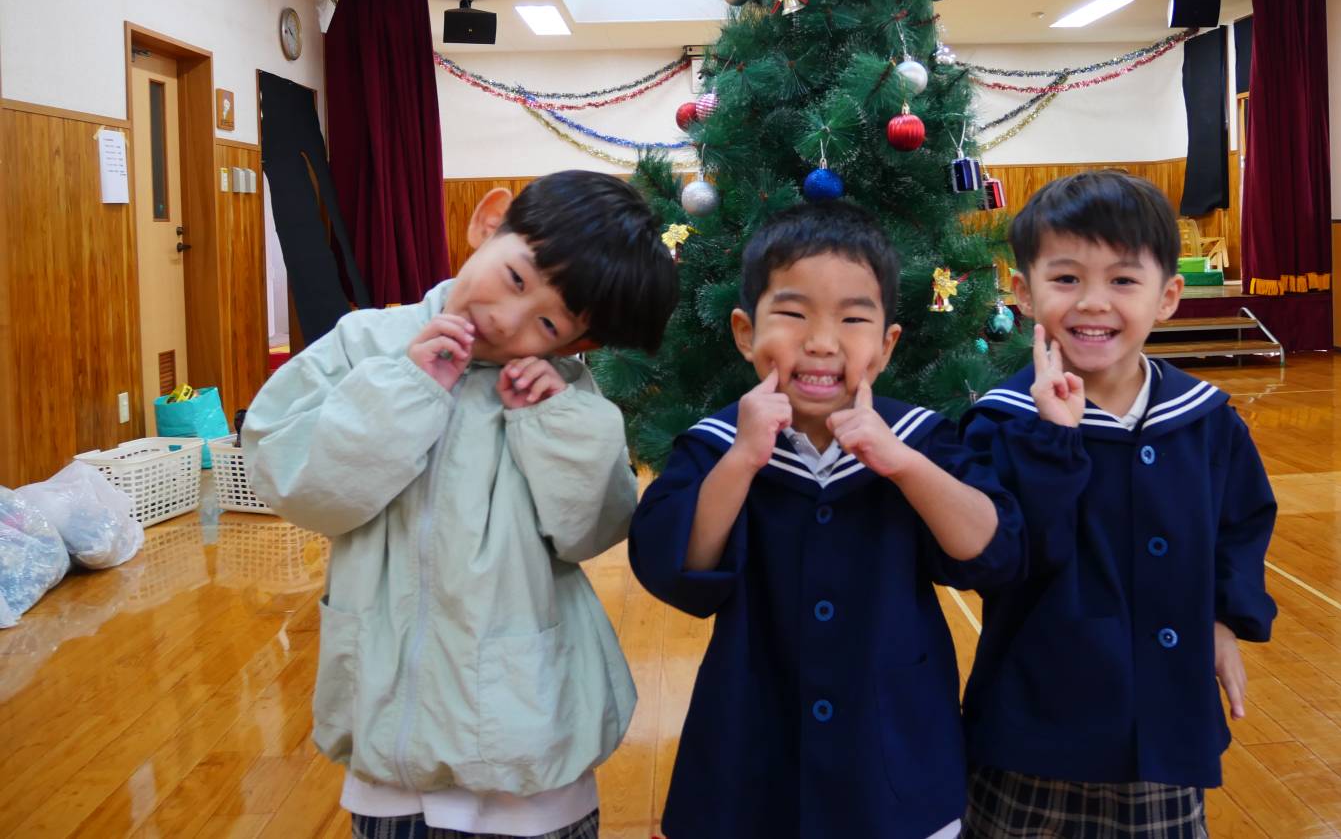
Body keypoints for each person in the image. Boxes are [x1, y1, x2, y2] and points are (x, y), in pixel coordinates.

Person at [243, 170, 679, 839]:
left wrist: (557, 424)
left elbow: (590, 531)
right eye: (515, 278)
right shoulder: (366, 343)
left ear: (577, 343)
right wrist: (404, 389)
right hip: (390, 739)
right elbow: (297, 481)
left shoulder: (562, 394)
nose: (506, 319)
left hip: (529, 746)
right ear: (489, 221)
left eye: (548, 322)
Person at [629, 200, 1022, 839]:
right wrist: (742, 460)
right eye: (792, 313)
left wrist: (902, 464)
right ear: (745, 332)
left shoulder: (920, 438)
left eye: (854, 318)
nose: (821, 341)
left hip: (892, 754)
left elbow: (995, 550)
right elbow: (675, 570)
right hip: (753, 752)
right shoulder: (714, 445)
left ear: (887, 345)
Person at [961, 171, 1277, 839]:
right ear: (1023, 292)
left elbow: (1242, 523)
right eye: (1066, 278)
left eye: (1124, 280)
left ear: (1167, 297)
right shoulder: (1003, 422)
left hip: (1163, 724)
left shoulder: (1205, 419)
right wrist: (1053, 442)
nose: (1093, 302)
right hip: (1036, 725)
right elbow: (1001, 559)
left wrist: (1224, 618)